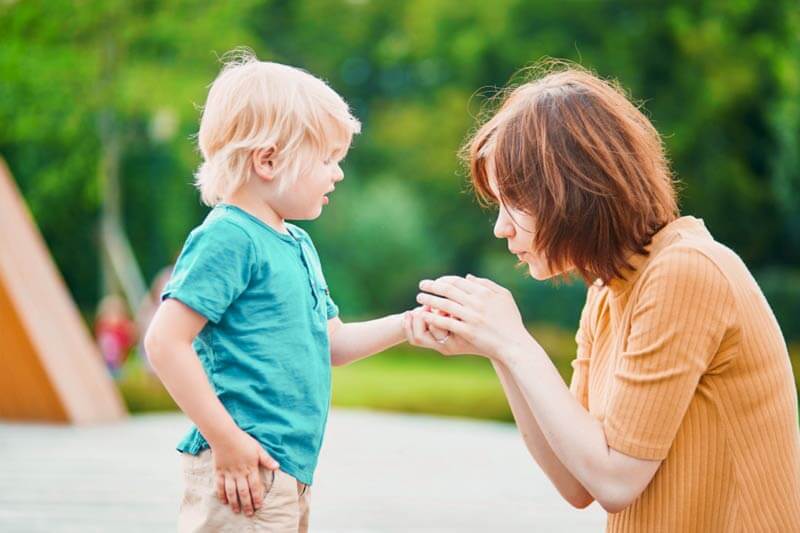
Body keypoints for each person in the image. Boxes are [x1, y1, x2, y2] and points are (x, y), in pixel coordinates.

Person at [405, 64, 800, 531]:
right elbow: (578, 483)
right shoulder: (608, 290)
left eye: (516, 202)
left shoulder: (686, 271)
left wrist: (514, 343)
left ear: (573, 190)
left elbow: (616, 482)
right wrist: (499, 350)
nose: (501, 227)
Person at [144, 51, 408, 532]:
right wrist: (225, 442)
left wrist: (409, 325)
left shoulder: (297, 243)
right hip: (243, 472)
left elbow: (331, 343)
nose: (339, 173)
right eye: (327, 159)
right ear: (267, 160)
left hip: (286, 473)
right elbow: (164, 342)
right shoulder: (229, 236)